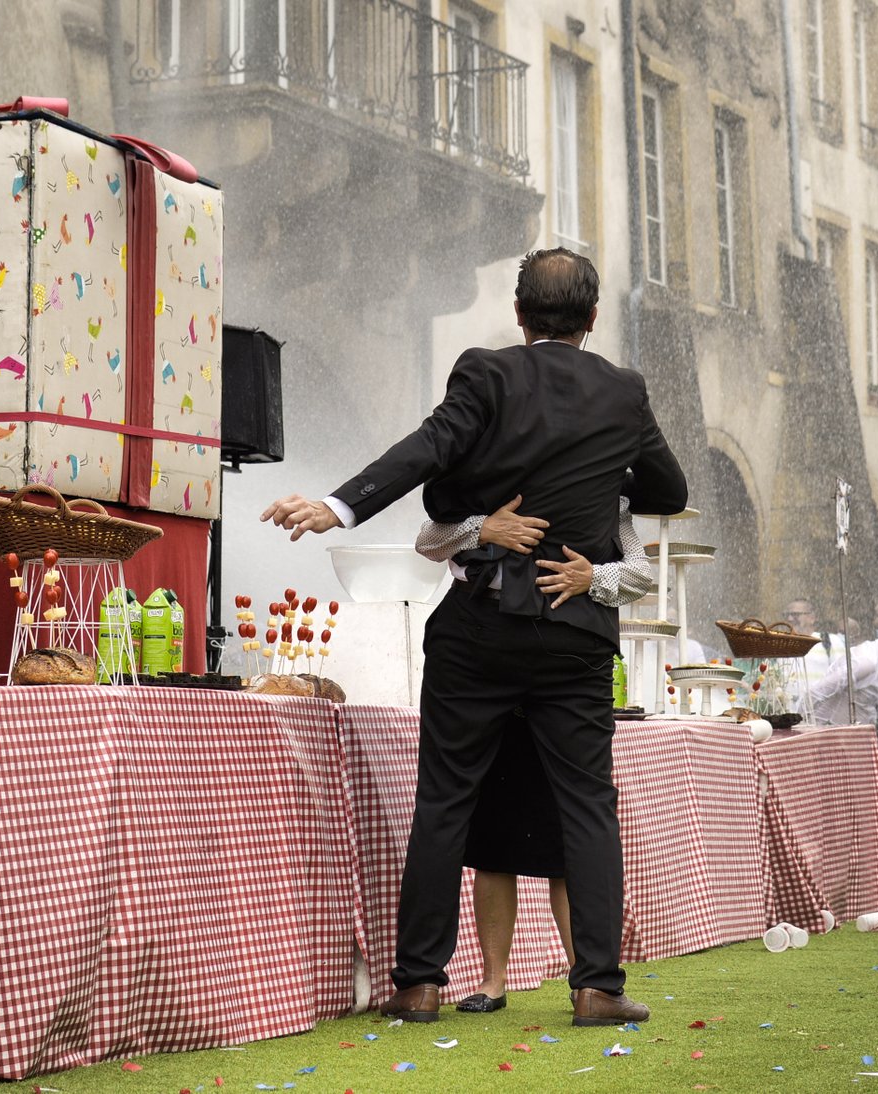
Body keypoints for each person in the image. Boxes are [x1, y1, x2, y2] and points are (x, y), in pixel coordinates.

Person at [262, 248, 688, 1026]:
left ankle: (419, 983)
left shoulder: (485, 374)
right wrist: (601, 478)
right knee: (588, 805)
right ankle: (597, 985)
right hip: (575, 635)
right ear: (592, 320)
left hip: (477, 630)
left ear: (519, 316)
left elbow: (428, 451)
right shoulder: (623, 393)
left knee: (444, 800)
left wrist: (340, 504)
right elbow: (670, 490)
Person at [415, 493, 650, 1012]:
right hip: (485, 668)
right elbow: (430, 539)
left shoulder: (604, 490)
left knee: (567, 838)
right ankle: (493, 980)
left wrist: (595, 580)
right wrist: (484, 528)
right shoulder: (489, 478)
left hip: (562, 673)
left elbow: (641, 571)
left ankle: (585, 978)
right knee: (493, 835)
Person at [783, 597, 844, 714]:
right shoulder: (781, 644)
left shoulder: (830, 641)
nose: (790, 619)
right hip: (789, 716)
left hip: (822, 713)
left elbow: (842, 677)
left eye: (795, 615)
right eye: (786, 615)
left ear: (812, 618)